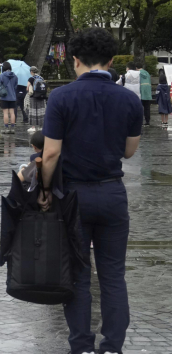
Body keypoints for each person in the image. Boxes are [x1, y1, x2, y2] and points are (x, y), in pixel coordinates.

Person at [39, 27, 142, 354]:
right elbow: (129, 152)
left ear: (74, 60)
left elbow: (51, 153)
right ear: (112, 60)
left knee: (79, 275)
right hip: (112, 195)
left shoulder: (61, 97)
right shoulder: (129, 99)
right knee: (113, 275)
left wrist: (43, 190)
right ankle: (112, 346)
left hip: (74, 197)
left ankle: (81, 346)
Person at [0, 62, 18, 134]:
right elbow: (16, 86)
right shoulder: (15, 76)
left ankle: (6, 128)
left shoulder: (2, 75)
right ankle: (12, 128)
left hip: (4, 97)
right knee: (12, 112)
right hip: (13, 97)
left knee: (5, 113)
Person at [26, 66, 47, 133]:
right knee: (41, 111)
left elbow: (27, 88)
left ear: (31, 72)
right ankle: (41, 127)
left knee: (33, 111)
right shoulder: (41, 78)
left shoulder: (31, 79)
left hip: (33, 97)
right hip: (41, 97)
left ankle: (33, 127)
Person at [137, 60, 151, 126]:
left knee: (140, 108)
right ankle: (147, 121)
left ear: (136, 68)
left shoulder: (138, 73)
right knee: (147, 108)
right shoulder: (147, 73)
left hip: (141, 92)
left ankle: (140, 121)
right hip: (148, 93)